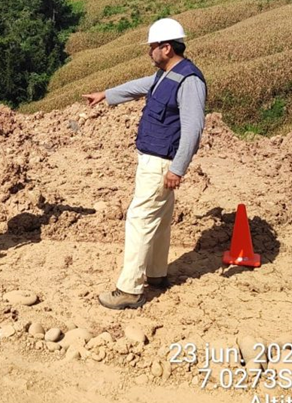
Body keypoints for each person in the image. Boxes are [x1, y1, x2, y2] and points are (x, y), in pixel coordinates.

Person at [82, 18, 206, 310]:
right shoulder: (166, 74)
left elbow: (193, 128)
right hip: (155, 160)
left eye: (152, 47)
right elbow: (141, 85)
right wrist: (107, 94)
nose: (149, 52)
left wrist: (178, 168)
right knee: (159, 220)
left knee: (139, 220)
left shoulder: (189, 80)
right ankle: (156, 273)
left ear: (167, 48)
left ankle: (129, 290)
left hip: (161, 163)